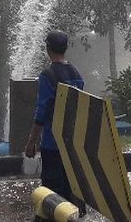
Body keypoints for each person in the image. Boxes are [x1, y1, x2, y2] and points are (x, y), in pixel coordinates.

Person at [24, 30, 85, 211]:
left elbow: (41, 112)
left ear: (48, 48)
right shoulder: (77, 75)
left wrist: (31, 142)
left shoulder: (47, 76)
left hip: (52, 143)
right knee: (69, 186)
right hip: (71, 142)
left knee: (51, 189)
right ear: (65, 48)